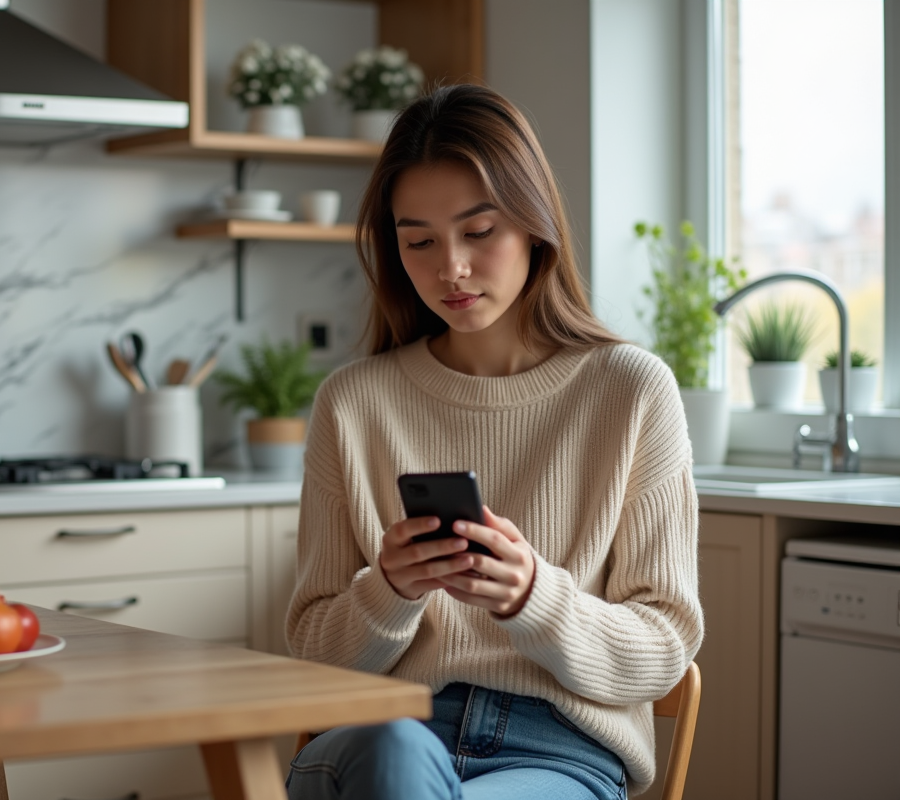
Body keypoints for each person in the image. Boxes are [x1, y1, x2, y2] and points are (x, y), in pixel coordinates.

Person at [284, 83, 704, 800]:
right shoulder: (351, 404)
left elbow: (663, 652)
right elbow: (314, 650)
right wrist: (387, 592)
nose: (449, 268)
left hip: (556, 753)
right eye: (418, 241)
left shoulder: (631, 391)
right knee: (393, 751)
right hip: (384, 734)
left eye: (479, 232)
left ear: (535, 223)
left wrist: (534, 597)